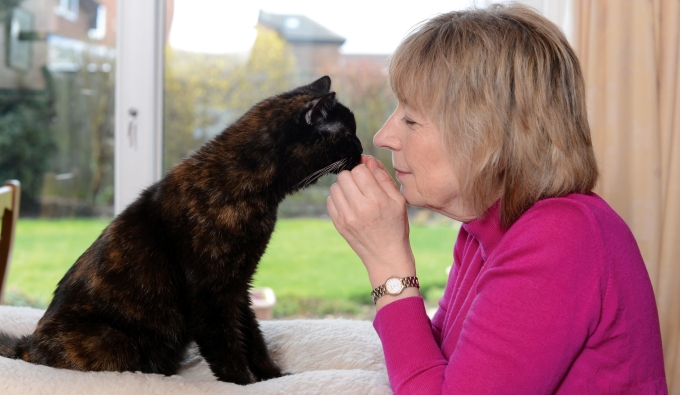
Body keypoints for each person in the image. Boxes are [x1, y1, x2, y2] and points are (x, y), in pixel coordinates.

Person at [326, 4, 668, 394]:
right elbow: (436, 362)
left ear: (489, 137)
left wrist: (387, 263)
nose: (383, 136)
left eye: (411, 119)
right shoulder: (483, 228)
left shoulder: (563, 237)